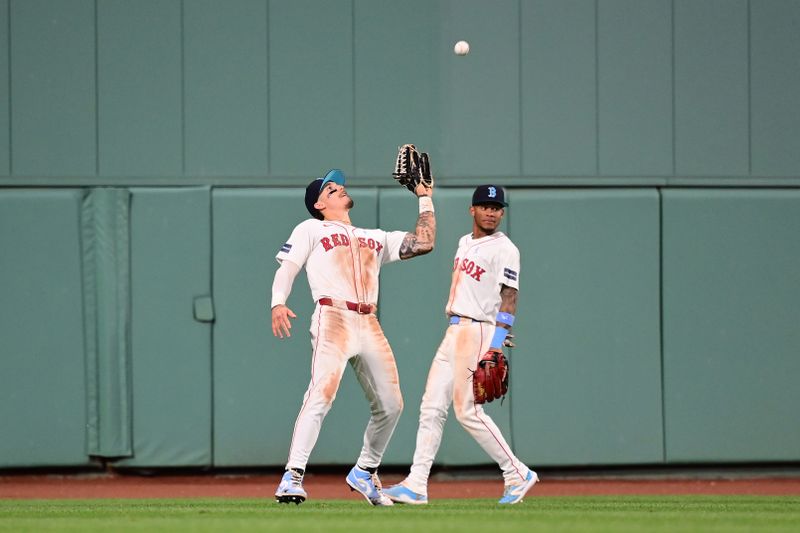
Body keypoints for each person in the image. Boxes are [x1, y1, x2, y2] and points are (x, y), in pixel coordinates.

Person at [271, 168, 436, 506]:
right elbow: (287, 266)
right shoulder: (311, 228)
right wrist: (278, 302)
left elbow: (425, 243)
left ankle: (365, 469)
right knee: (321, 394)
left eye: (340, 186)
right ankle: (293, 476)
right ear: (319, 203)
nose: (340, 189)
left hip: (368, 322)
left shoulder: (374, 236)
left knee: (392, 405)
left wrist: (424, 197)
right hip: (332, 317)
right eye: (332, 189)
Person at [383, 185, 538, 505]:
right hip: (454, 331)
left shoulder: (505, 248)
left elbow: (509, 299)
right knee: (430, 407)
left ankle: (516, 473)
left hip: (478, 331)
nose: (491, 212)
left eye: (497, 208)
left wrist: (496, 346)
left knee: (467, 411)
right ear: (473, 210)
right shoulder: (464, 242)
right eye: (485, 206)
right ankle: (416, 483)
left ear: (502, 212)